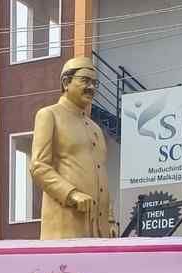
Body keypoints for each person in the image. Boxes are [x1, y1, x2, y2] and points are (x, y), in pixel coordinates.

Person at [30, 56, 117, 239]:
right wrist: (71, 194)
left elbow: (102, 176)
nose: (91, 87)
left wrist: (109, 219)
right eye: (85, 80)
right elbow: (39, 167)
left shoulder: (95, 129)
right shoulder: (49, 115)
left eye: (94, 83)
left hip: (99, 230)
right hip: (66, 221)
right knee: (66, 269)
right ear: (66, 82)